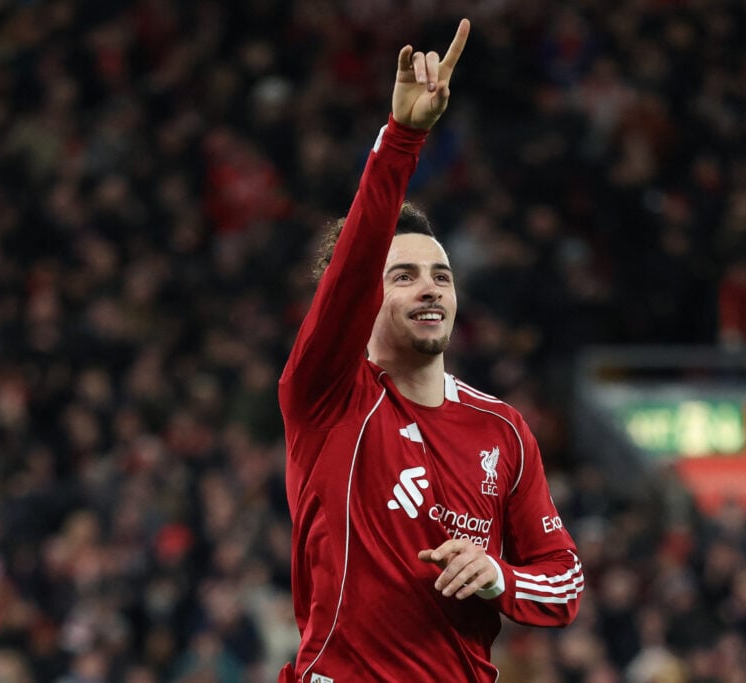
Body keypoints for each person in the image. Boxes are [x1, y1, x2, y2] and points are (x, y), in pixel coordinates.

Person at [277, 18, 583, 683]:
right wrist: (403, 139)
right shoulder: (326, 397)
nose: (430, 288)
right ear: (364, 299)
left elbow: (563, 579)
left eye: (441, 275)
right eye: (404, 275)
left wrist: (499, 575)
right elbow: (354, 265)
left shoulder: (503, 429)